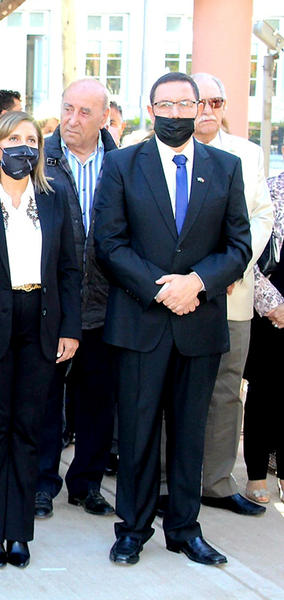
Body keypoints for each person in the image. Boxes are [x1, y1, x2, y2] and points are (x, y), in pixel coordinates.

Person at [92, 72, 251, 566]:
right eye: (168, 104)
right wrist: (164, 290)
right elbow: (108, 242)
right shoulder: (121, 164)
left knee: (189, 434)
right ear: (151, 107)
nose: (178, 114)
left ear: (200, 108)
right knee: (138, 431)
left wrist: (196, 284)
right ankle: (133, 529)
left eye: (187, 104)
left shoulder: (225, 167)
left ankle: (184, 529)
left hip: (199, 323)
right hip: (142, 319)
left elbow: (239, 243)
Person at [0, 111, 81, 569]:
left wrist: (70, 328)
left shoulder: (55, 196)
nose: (23, 146)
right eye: (14, 139)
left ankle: (19, 532)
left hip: (41, 321)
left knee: (29, 430)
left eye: (32, 139)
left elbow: (70, 268)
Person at [35, 79, 119, 521]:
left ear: (106, 116)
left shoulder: (125, 164)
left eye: (85, 112)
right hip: (52, 304)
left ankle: (86, 483)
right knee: (45, 401)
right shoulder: (39, 160)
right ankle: (42, 483)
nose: (72, 119)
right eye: (67, 108)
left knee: (98, 403)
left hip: (107, 306)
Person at [190, 72, 273, 517]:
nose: (207, 111)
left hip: (233, 294)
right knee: (173, 389)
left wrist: (233, 266)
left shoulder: (247, 153)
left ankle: (217, 483)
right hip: (177, 296)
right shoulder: (156, 153)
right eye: (198, 102)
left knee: (225, 391)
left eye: (216, 102)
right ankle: (166, 480)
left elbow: (261, 214)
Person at [243, 171, 284, 504]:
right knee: (266, 391)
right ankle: (256, 475)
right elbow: (247, 251)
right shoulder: (267, 190)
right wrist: (272, 304)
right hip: (273, 310)